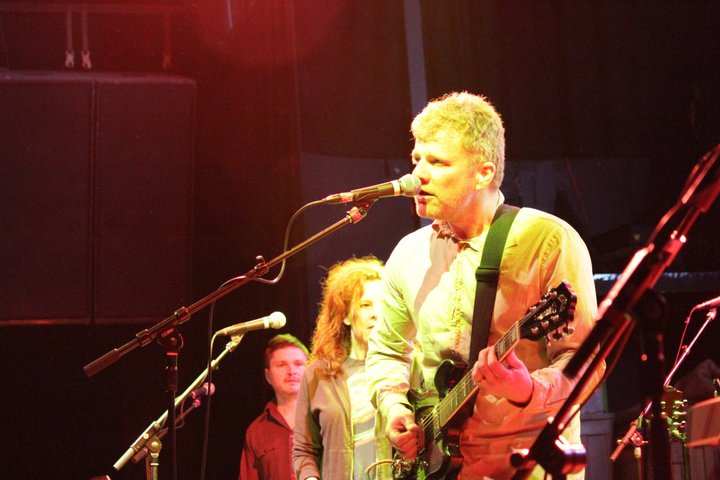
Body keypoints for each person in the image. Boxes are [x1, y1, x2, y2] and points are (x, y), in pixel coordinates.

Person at [365, 91, 605, 479]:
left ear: (484, 173)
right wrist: (394, 408)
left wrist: (528, 389)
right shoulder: (408, 253)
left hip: (529, 465)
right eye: (416, 159)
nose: (418, 174)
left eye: (438, 162)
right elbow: (386, 351)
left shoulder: (548, 241)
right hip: (442, 467)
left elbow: (585, 360)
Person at [292, 256, 387, 480]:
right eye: (365, 305)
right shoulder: (318, 374)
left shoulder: (406, 366)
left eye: (384, 304)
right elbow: (304, 451)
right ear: (345, 315)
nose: (376, 313)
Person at [239, 333, 309, 480]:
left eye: (298, 364)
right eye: (282, 365)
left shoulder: (326, 420)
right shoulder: (256, 431)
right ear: (268, 376)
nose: (291, 371)